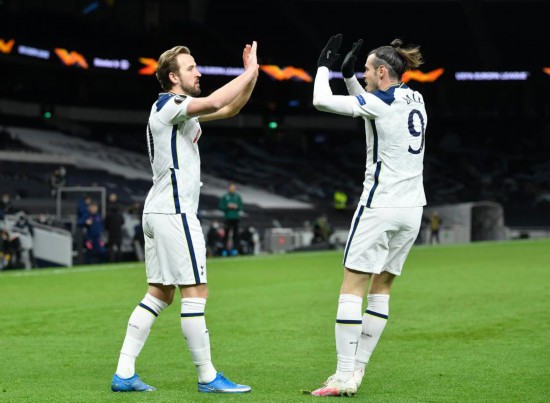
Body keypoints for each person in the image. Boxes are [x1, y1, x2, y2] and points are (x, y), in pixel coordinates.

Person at [111, 41, 259, 393]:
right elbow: (216, 102)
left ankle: (124, 373)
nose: (199, 72)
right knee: (196, 292)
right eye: (191, 68)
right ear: (174, 77)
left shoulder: (177, 110)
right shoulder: (169, 104)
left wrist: (252, 75)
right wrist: (250, 71)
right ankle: (207, 377)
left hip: (160, 210)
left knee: (160, 294)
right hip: (175, 212)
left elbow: (230, 109)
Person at [310, 34, 427, 397]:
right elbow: (371, 110)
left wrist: (324, 67)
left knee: (352, 286)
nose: (362, 74)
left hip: (380, 206)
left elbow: (321, 101)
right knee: (382, 287)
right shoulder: (416, 98)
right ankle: (357, 368)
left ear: (381, 72)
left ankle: (344, 375)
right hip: (413, 209)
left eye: (365, 70)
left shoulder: (381, 101)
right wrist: (349, 79)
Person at [218, 182, 243, 256]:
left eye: (233, 187)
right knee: (226, 235)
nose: (232, 188)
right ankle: (224, 250)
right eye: (231, 187)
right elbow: (221, 206)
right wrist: (227, 206)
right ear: (229, 188)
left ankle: (235, 250)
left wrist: (236, 207)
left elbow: (241, 206)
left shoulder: (237, 196)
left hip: (236, 218)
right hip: (228, 218)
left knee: (236, 235)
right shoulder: (225, 196)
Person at [105, 193, 125, 262]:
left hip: (111, 233)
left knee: (111, 247)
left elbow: (106, 224)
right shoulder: (119, 215)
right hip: (118, 232)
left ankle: (111, 260)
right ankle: (119, 260)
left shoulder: (108, 215)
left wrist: (108, 229)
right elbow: (123, 222)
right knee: (119, 247)